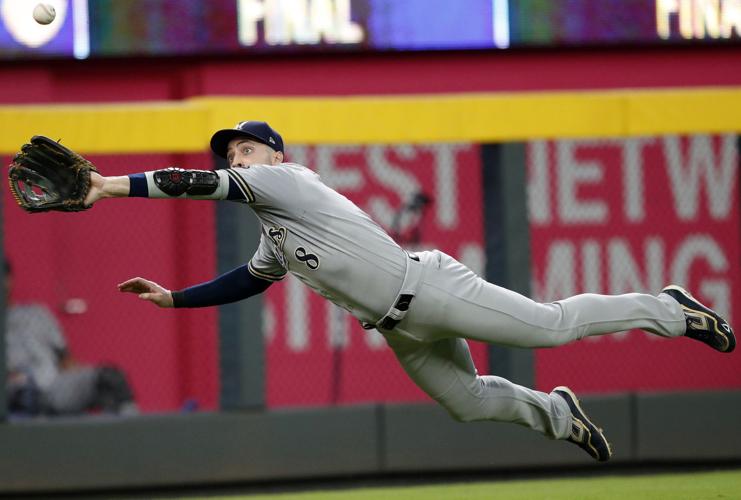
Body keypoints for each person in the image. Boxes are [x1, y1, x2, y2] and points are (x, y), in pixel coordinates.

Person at [82, 121, 735, 461]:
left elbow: (190, 184)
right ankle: (558, 414)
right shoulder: (274, 233)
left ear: (275, 157)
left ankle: (667, 309)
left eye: (246, 148)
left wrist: (110, 186)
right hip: (402, 328)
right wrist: (174, 299)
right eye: (230, 152)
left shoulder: (285, 183)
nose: (235, 159)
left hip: (425, 287)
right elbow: (247, 280)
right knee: (469, 404)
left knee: (552, 325)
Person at [5, 260, 138, 417]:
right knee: (23, 393)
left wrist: (79, 376)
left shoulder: (36, 313)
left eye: (4, 276)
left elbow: (65, 359)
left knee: (110, 379)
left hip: (54, 385)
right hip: (16, 392)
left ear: (10, 279)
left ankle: (137, 436)